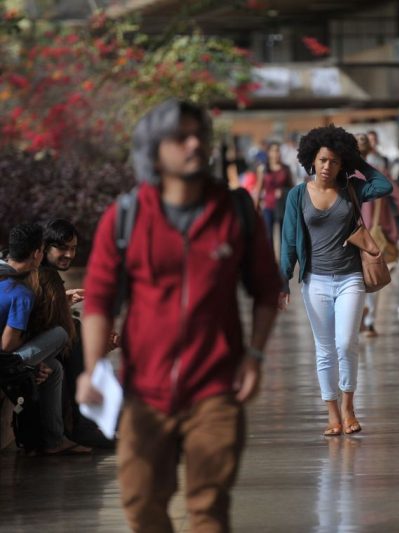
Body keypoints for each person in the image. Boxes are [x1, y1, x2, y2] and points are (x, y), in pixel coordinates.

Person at [77, 99, 281, 532]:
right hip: (143, 391)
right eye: (180, 137)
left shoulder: (235, 211)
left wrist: (256, 356)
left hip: (215, 387)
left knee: (208, 509)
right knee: (140, 504)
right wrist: (92, 367)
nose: (194, 145)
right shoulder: (126, 217)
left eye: (199, 135)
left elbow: (266, 289)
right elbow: (98, 299)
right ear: (154, 149)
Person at [280, 124, 392, 436]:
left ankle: (348, 405)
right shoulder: (297, 195)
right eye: (323, 160)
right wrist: (282, 280)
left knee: (346, 343)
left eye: (335, 161)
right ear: (311, 161)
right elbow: (289, 241)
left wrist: (357, 162)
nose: (328, 166)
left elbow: (383, 186)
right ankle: (331, 411)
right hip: (314, 282)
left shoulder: (351, 189)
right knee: (325, 349)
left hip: (350, 278)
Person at [0, 223, 90, 455]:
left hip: (8, 359)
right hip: (5, 362)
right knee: (61, 333)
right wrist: (32, 361)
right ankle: (75, 426)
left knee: (54, 369)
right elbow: (7, 345)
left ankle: (53, 441)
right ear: (37, 253)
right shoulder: (21, 292)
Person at [29, 219, 117, 448]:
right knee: (74, 333)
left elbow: (43, 316)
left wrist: (63, 304)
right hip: (29, 351)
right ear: (45, 248)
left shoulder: (45, 274)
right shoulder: (45, 276)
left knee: (76, 329)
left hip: (39, 346)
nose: (69, 254)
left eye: (73, 248)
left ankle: (90, 421)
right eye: (62, 248)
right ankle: (84, 424)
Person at [355, 133, 399, 337]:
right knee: (372, 277)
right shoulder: (380, 173)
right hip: (376, 234)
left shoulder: (347, 175)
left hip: (352, 234)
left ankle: (357, 315)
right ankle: (369, 322)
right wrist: (389, 217)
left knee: (355, 278)